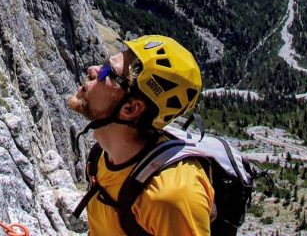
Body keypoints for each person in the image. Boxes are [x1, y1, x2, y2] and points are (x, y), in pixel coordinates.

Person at [68, 34, 213, 236]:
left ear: (130, 108)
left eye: (107, 71)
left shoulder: (173, 196)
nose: (93, 70)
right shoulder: (104, 154)